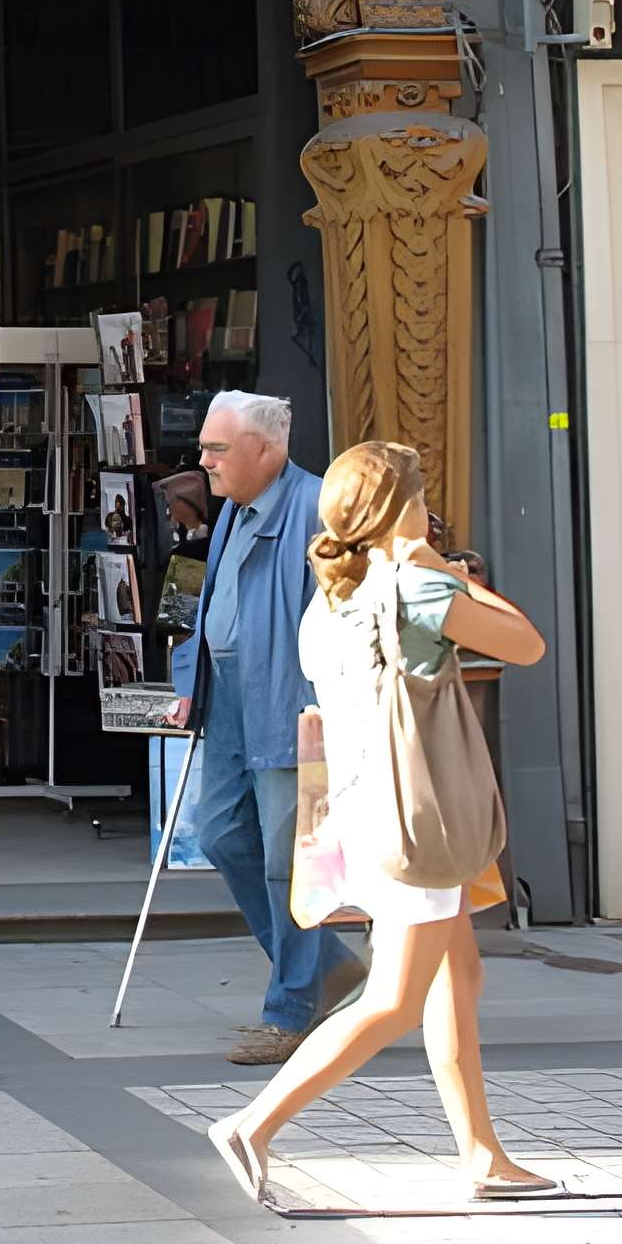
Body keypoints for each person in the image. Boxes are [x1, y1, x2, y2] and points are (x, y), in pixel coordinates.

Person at [209, 442, 553, 1205]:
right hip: (415, 823)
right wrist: (443, 564)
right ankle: (252, 1124)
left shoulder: (331, 597)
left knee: (457, 974)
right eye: (422, 495)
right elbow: (526, 643)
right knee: (394, 998)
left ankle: (483, 1154)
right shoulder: (416, 588)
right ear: (405, 507)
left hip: (363, 812)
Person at [170, 390, 360, 1064]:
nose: (204, 461)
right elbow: (213, 604)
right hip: (227, 699)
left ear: (267, 450)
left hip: (288, 704)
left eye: (217, 449)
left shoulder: (316, 509)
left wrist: (323, 709)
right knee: (221, 834)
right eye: (205, 447)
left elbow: (342, 618)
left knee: (289, 864)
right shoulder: (232, 510)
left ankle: (292, 1008)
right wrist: (191, 682)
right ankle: (330, 967)